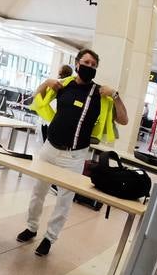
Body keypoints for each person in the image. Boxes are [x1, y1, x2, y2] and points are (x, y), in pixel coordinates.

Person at [16, 49, 127, 256]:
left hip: (75, 155)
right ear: (77, 64)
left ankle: (49, 238)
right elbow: (36, 99)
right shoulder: (63, 85)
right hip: (49, 149)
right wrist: (46, 83)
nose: (90, 66)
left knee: (64, 201)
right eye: (86, 62)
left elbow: (123, 119)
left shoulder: (100, 94)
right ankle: (31, 228)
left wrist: (116, 95)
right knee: (38, 192)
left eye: (94, 64)